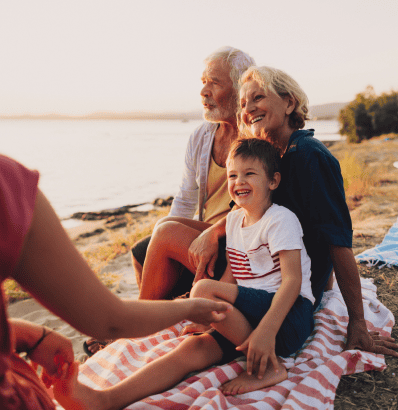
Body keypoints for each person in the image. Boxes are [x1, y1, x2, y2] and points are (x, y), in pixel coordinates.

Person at [52, 137, 315, 409]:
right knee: (192, 348)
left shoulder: (281, 220)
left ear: (273, 181)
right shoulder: (235, 220)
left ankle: (269, 368)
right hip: (251, 320)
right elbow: (232, 277)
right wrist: (212, 320)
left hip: (287, 318)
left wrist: (266, 332)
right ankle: (105, 399)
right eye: (233, 175)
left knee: (202, 290)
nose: (239, 182)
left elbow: (293, 281)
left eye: (250, 174)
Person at [189, 65, 398, 357]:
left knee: (168, 235)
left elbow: (338, 242)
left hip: (282, 282)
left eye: (258, 97)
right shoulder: (270, 153)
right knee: (166, 231)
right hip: (255, 264)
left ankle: (146, 320)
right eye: (243, 103)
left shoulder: (310, 157)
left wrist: (358, 324)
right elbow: (239, 211)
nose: (248, 109)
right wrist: (214, 232)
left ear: (289, 103)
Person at [0, 154, 232, 410]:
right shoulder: (8, 183)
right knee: (158, 235)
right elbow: (108, 320)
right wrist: (192, 307)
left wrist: (26, 334)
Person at [85, 46, 255, 356]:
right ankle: (157, 318)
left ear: (241, 85)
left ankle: (131, 328)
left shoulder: (256, 138)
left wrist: (189, 235)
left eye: (214, 82)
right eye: (203, 81)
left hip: (237, 241)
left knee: (164, 235)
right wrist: (163, 238)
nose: (204, 91)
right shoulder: (202, 137)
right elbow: (186, 198)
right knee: (145, 248)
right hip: (203, 235)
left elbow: (254, 209)